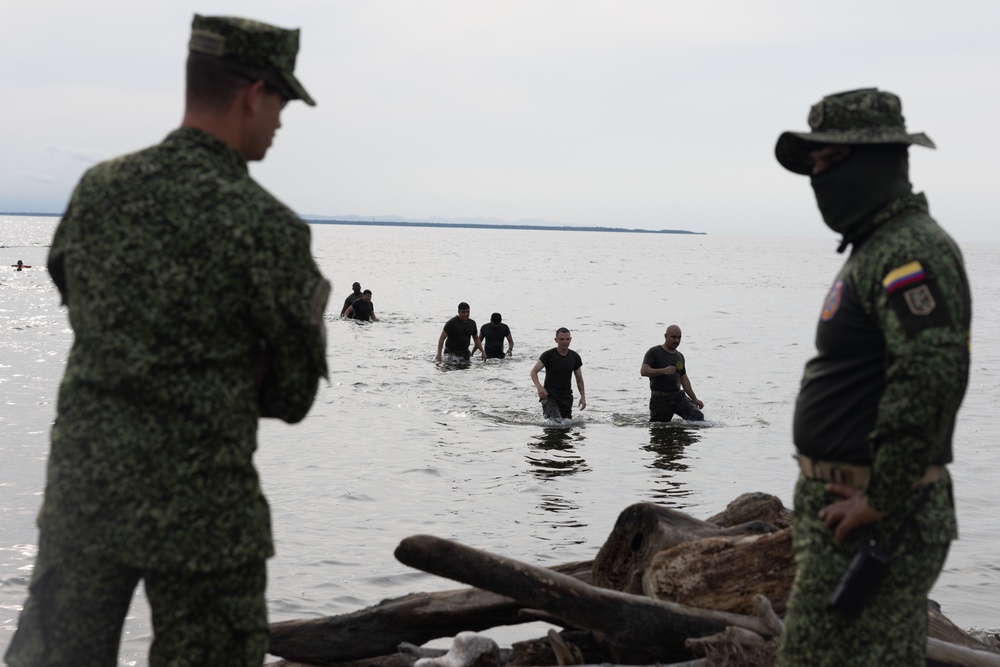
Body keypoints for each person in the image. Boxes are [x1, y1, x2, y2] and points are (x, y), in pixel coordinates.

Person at [5, 15, 329, 667]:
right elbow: (294, 394)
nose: (281, 121)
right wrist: (234, 369)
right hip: (205, 510)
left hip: (85, 492)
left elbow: (83, 309)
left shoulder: (98, 192)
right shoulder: (269, 228)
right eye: (282, 102)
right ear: (251, 93)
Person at [773, 88, 971, 666]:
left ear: (884, 160)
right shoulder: (875, 247)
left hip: (875, 512)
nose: (818, 178)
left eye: (832, 162)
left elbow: (931, 374)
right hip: (849, 504)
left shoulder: (909, 251)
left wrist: (881, 496)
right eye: (813, 165)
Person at [640, 324, 704, 422]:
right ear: (665, 336)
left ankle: (682, 436)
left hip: (678, 397)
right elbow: (644, 371)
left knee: (697, 417)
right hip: (660, 399)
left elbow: (684, 379)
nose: (677, 340)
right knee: (660, 429)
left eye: (679, 337)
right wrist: (662, 370)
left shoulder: (680, 356)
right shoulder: (654, 352)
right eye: (673, 337)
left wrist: (695, 399)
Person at [530, 328, 586, 419]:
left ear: (570, 339)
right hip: (549, 396)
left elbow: (579, 378)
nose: (565, 342)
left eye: (567, 339)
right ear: (556, 340)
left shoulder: (575, 357)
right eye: (561, 339)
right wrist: (539, 387)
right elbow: (533, 372)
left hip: (567, 396)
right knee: (555, 422)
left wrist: (582, 396)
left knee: (566, 426)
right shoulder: (548, 355)